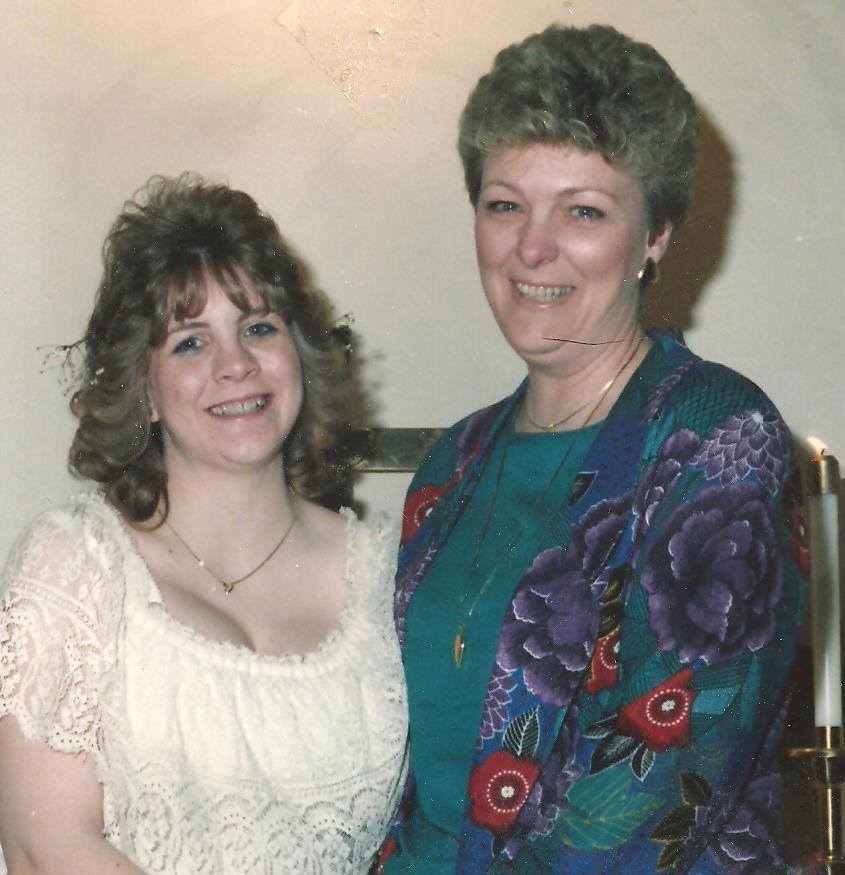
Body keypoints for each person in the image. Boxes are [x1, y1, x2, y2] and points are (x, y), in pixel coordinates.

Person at [380, 23, 806, 874]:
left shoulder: (719, 435)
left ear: (655, 234)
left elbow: (658, 788)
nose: (531, 248)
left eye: (582, 211)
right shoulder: (449, 466)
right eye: (505, 204)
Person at [0, 174, 408, 874]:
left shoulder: (387, 573)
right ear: (144, 390)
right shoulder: (77, 565)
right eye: (191, 343)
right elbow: (47, 851)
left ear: (300, 355)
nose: (236, 365)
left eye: (258, 328)